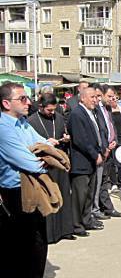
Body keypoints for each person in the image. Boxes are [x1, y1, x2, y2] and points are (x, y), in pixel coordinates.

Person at [0, 83, 54, 278]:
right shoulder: (4, 128)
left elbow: (46, 145)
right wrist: (41, 156)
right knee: (23, 247)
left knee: (39, 243)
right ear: (6, 103)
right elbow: (31, 161)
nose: (28, 102)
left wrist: (42, 154)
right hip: (16, 193)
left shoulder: (22, 123)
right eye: (22, 99)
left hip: (32, 188)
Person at [28, 93, 75, 243]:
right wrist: (46, 142)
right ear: (41, 107)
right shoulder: (31, 122)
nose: (52, 113)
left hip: (58, 163)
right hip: (44, 164)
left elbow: (64, 134)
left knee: (64, 195)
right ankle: (50, 234)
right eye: (49, 110)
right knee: (48, 197)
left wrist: (66, 138)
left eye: (54, 109)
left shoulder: (59, 118)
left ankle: (65, 230)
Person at [67, 87, 106, 236]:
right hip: (82, 162)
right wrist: (95, 154)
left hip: (91, 161)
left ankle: (86, 220)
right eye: (91, 97)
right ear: (82, 98)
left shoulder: (91, 113)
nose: (95, 100)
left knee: (89, 194)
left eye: (96, 97)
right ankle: (76, 225)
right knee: (79, 196)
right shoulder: (77, 114)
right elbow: (80, 139)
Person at [94, 85, 121, 218]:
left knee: (106, 179)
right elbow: (100, 129)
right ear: (102, 95)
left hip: (111, 147)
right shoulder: (96, 109)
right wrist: (105, 147)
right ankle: (102, 207)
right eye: (109, 96)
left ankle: (106, 207)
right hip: (103, 149)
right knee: (101, 180)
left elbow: (111, 126)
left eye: (114, 97)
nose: (112, 99)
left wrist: (115, 140)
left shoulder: (108, 108)